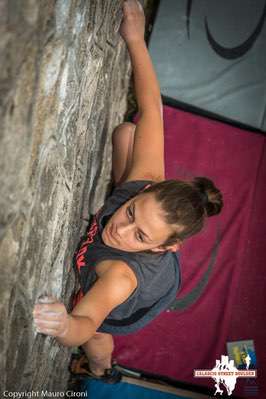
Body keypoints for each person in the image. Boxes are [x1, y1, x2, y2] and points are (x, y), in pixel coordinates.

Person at [33, 0, 223, 384]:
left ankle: (103, 370)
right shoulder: (146, 179)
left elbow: (86, 323)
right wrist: (135, 38)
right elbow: (152, 107)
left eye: (139, 235)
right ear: (148, 187)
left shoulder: (119, 277)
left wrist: (64, 324)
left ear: (161, 247)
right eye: (131, 211)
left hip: (136, 298)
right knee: (127, 133)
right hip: (151, 232)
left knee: (99, 338)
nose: (119, 229)